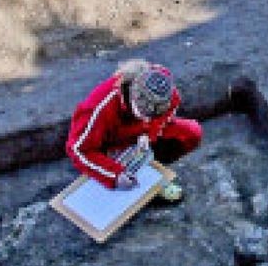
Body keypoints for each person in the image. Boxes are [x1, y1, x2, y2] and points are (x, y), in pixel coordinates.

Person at [65, 59, 203, 201]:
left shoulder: (164, 87)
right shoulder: (100, 107)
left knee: (191, 132)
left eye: (153, 115)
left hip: (138, 138)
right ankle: (126, 180)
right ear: (132, 95)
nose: (147, 119)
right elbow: (77, 149)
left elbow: (169, 110)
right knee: (105, 173)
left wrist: (149, 134)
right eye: (143, 113)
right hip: (109, 144)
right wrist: (115, 175)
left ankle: (153, 173)